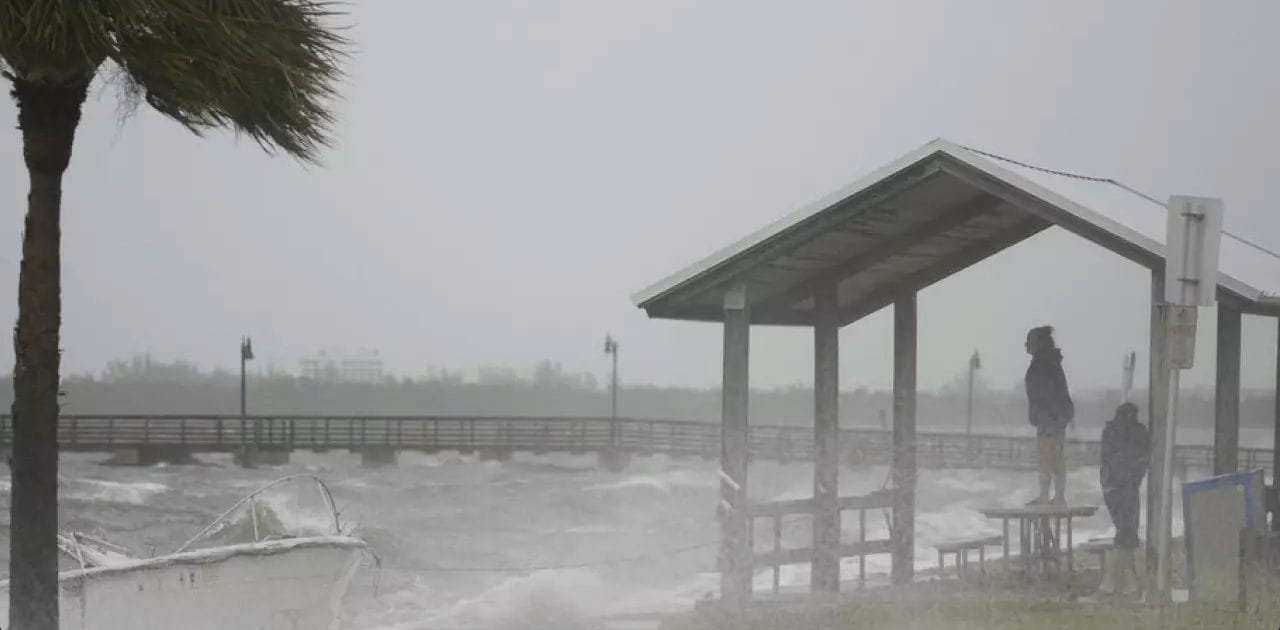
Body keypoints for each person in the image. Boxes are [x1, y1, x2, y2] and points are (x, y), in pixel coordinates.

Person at [1098, 402, 1149, 597]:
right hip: (1127, 488)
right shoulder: (1138, 432)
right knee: (1126, 532)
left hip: (1112, 488)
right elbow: (1142, 458)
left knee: (1125, 531)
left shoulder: (1110, 431)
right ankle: (1113, 581)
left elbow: (1106, 461)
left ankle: (1125, 581)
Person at [1024, 325, 1074, 505]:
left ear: (1038, 343)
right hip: (1056, 417)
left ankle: (1048, 496)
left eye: (1028, 341)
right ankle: (1057, 496)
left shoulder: (1042, 364)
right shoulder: (1051, 362)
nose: (1025, 345)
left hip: (1048, 418)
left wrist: (1041, 414)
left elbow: (1044, 394)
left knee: (1047, 458)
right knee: (1056, 457)